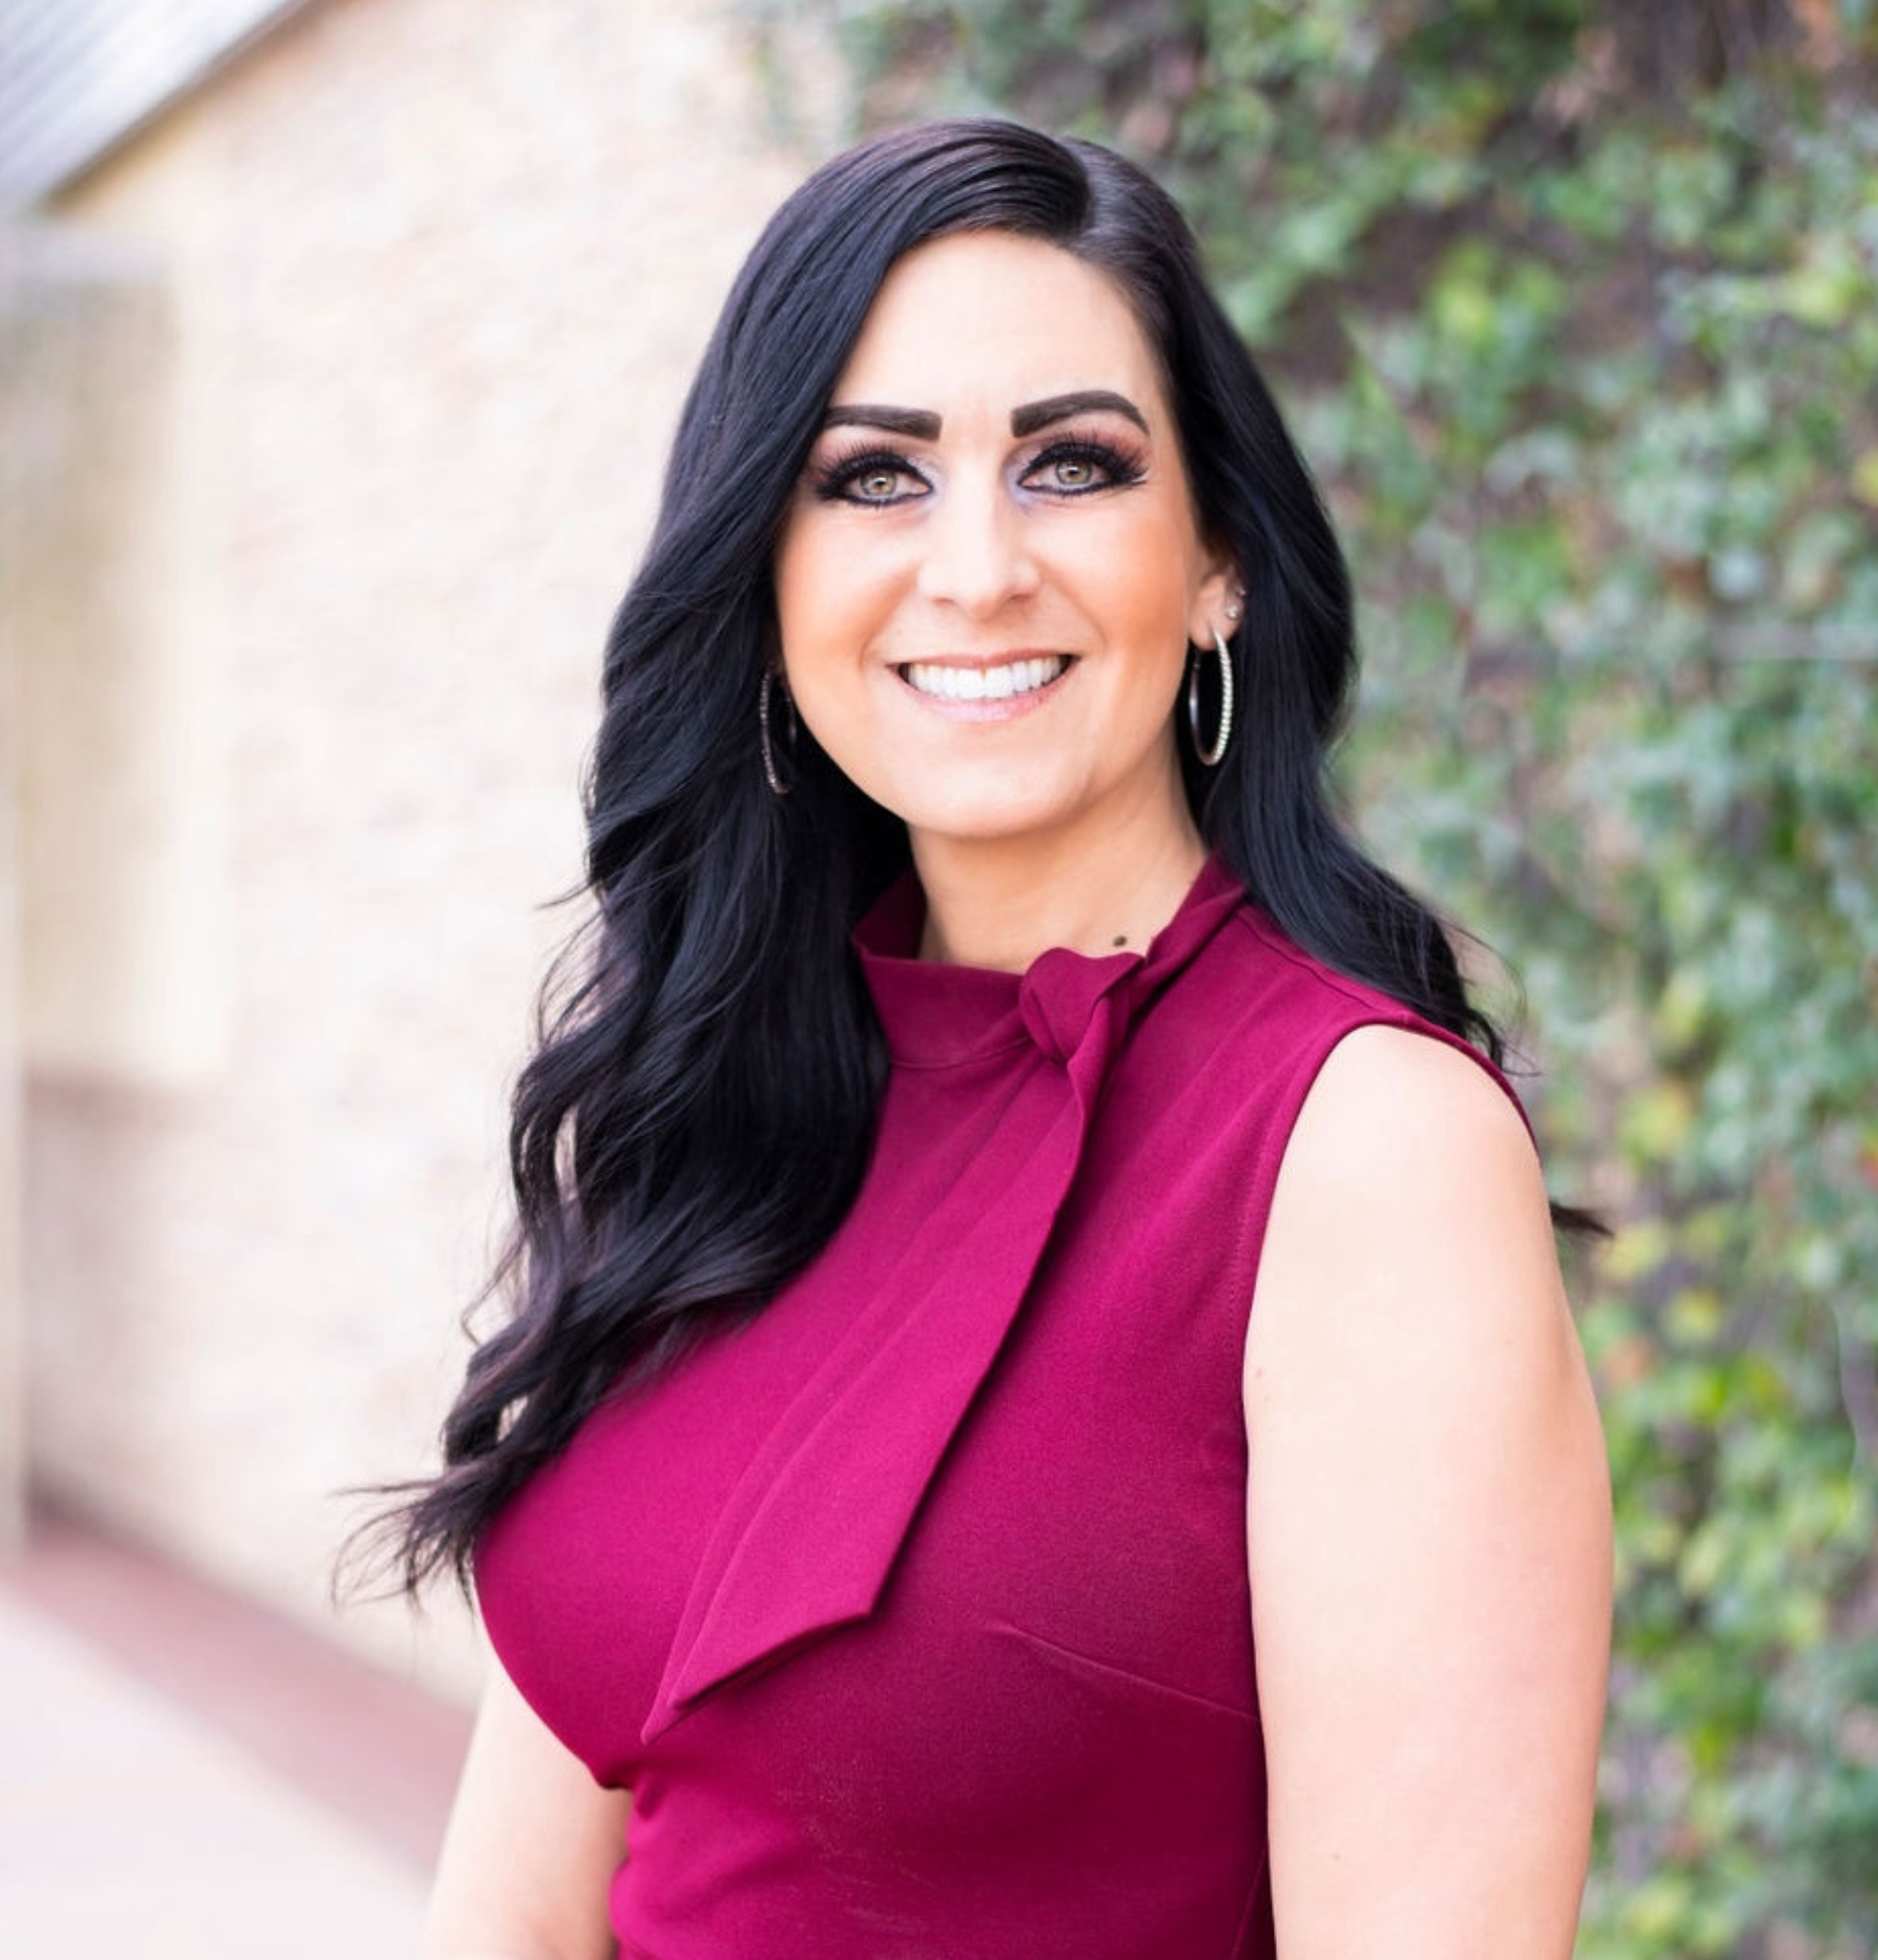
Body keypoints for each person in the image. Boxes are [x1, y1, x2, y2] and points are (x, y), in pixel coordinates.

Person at [397, 118, 1613, 1960]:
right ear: (768, 574)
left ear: (1218, 561)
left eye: (1071, 463)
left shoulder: (1364, 1153)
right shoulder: (713, 1100)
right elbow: (520, 1905)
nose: (974, 568)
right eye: (874, 480)